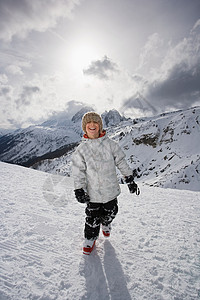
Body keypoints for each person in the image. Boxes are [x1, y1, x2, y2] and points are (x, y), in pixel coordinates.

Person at [71, 112, 140, 255]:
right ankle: (90, 238)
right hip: (92, 193)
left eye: (95, 122)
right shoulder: (81, 150)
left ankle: (106, 223)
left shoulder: (111, 145)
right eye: (88, 123)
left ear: (100, 126)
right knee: (92, 217)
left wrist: (129, 179)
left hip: (110, 191)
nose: (92, 125)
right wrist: (79, 189)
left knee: (111, 211)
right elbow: (78, 170)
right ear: (84, 127)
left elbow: (121, 162)